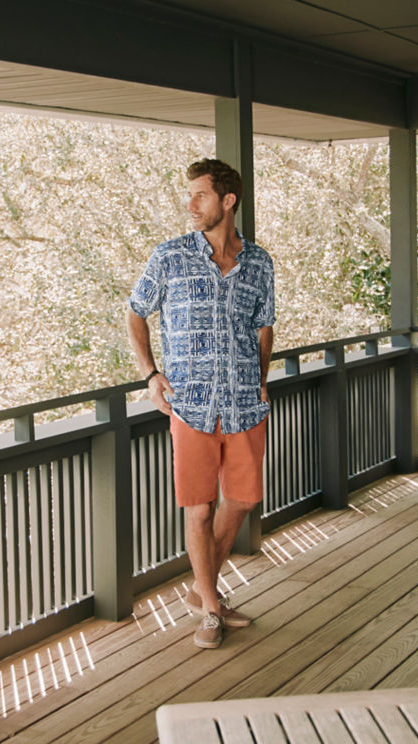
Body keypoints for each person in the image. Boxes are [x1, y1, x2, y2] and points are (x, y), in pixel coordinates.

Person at [126, 158, 275, 649]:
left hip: (243, 401)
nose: (190, 204)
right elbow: (135, 313)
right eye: (189, 195)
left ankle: (200, 588)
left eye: (201, 195)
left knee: (245, 499)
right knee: (197, 508)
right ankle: (210, 609)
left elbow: (263, 326)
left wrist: (261, 379)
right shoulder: (168, 256)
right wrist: (151, 374)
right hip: (189, 402)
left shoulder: (259, 263)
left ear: (227, 201)